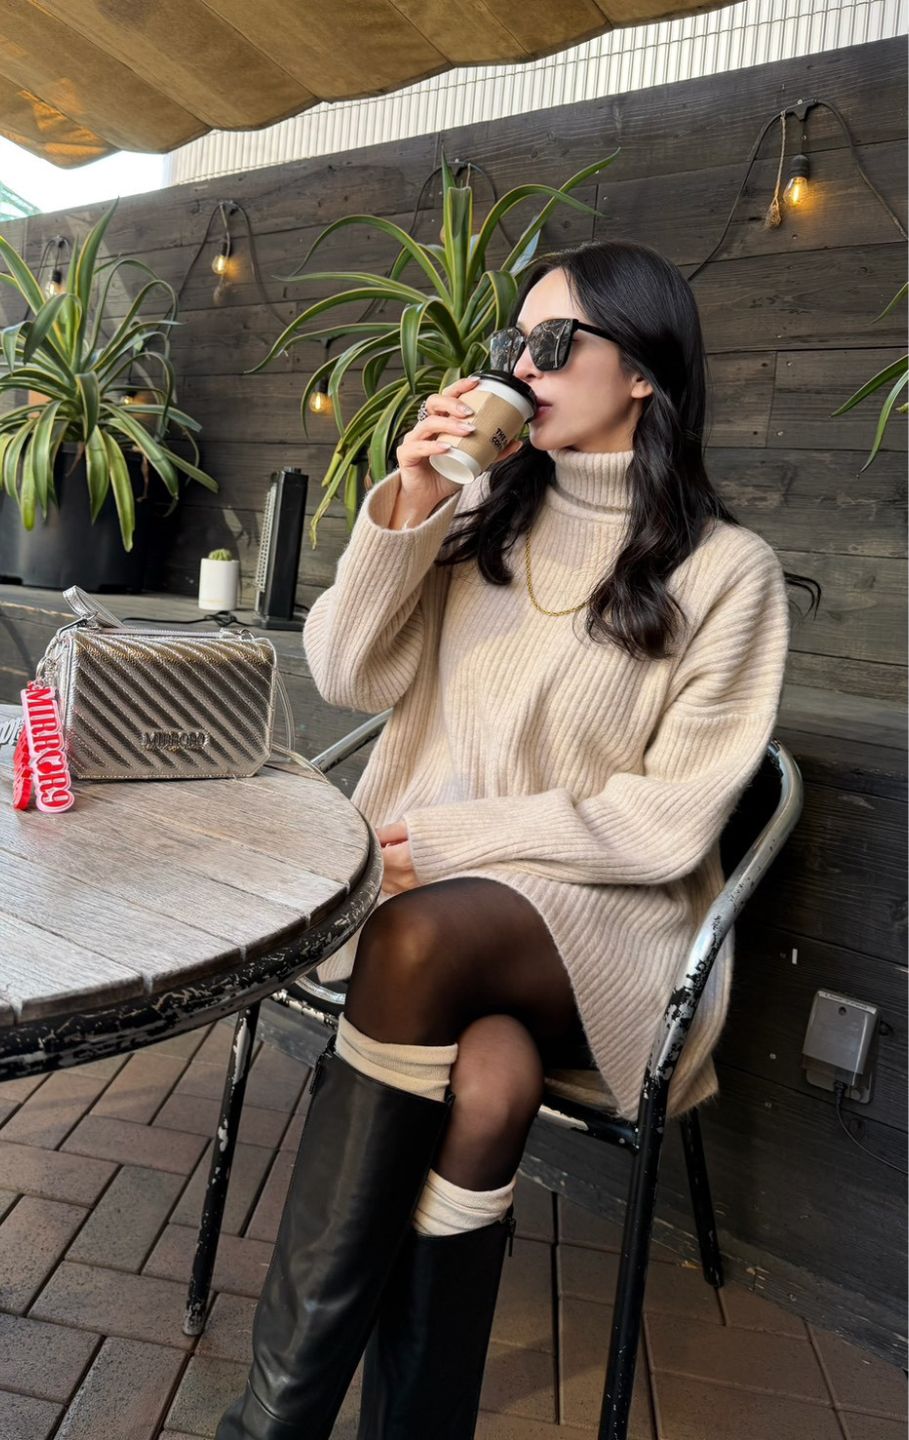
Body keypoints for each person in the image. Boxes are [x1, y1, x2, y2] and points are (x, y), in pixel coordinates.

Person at [216, 239, 804, 1440]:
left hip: (606, 926)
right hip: (430, 919)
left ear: (642, 370)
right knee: (491, 1080)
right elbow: (345, 673)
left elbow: (664, 820)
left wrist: (445, 841)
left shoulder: (726, 571)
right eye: (513, 344)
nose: (522, 367)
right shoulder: (480, 513)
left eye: (553, 342)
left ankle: (267, 1429)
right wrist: (410, 502)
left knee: (421, 940)